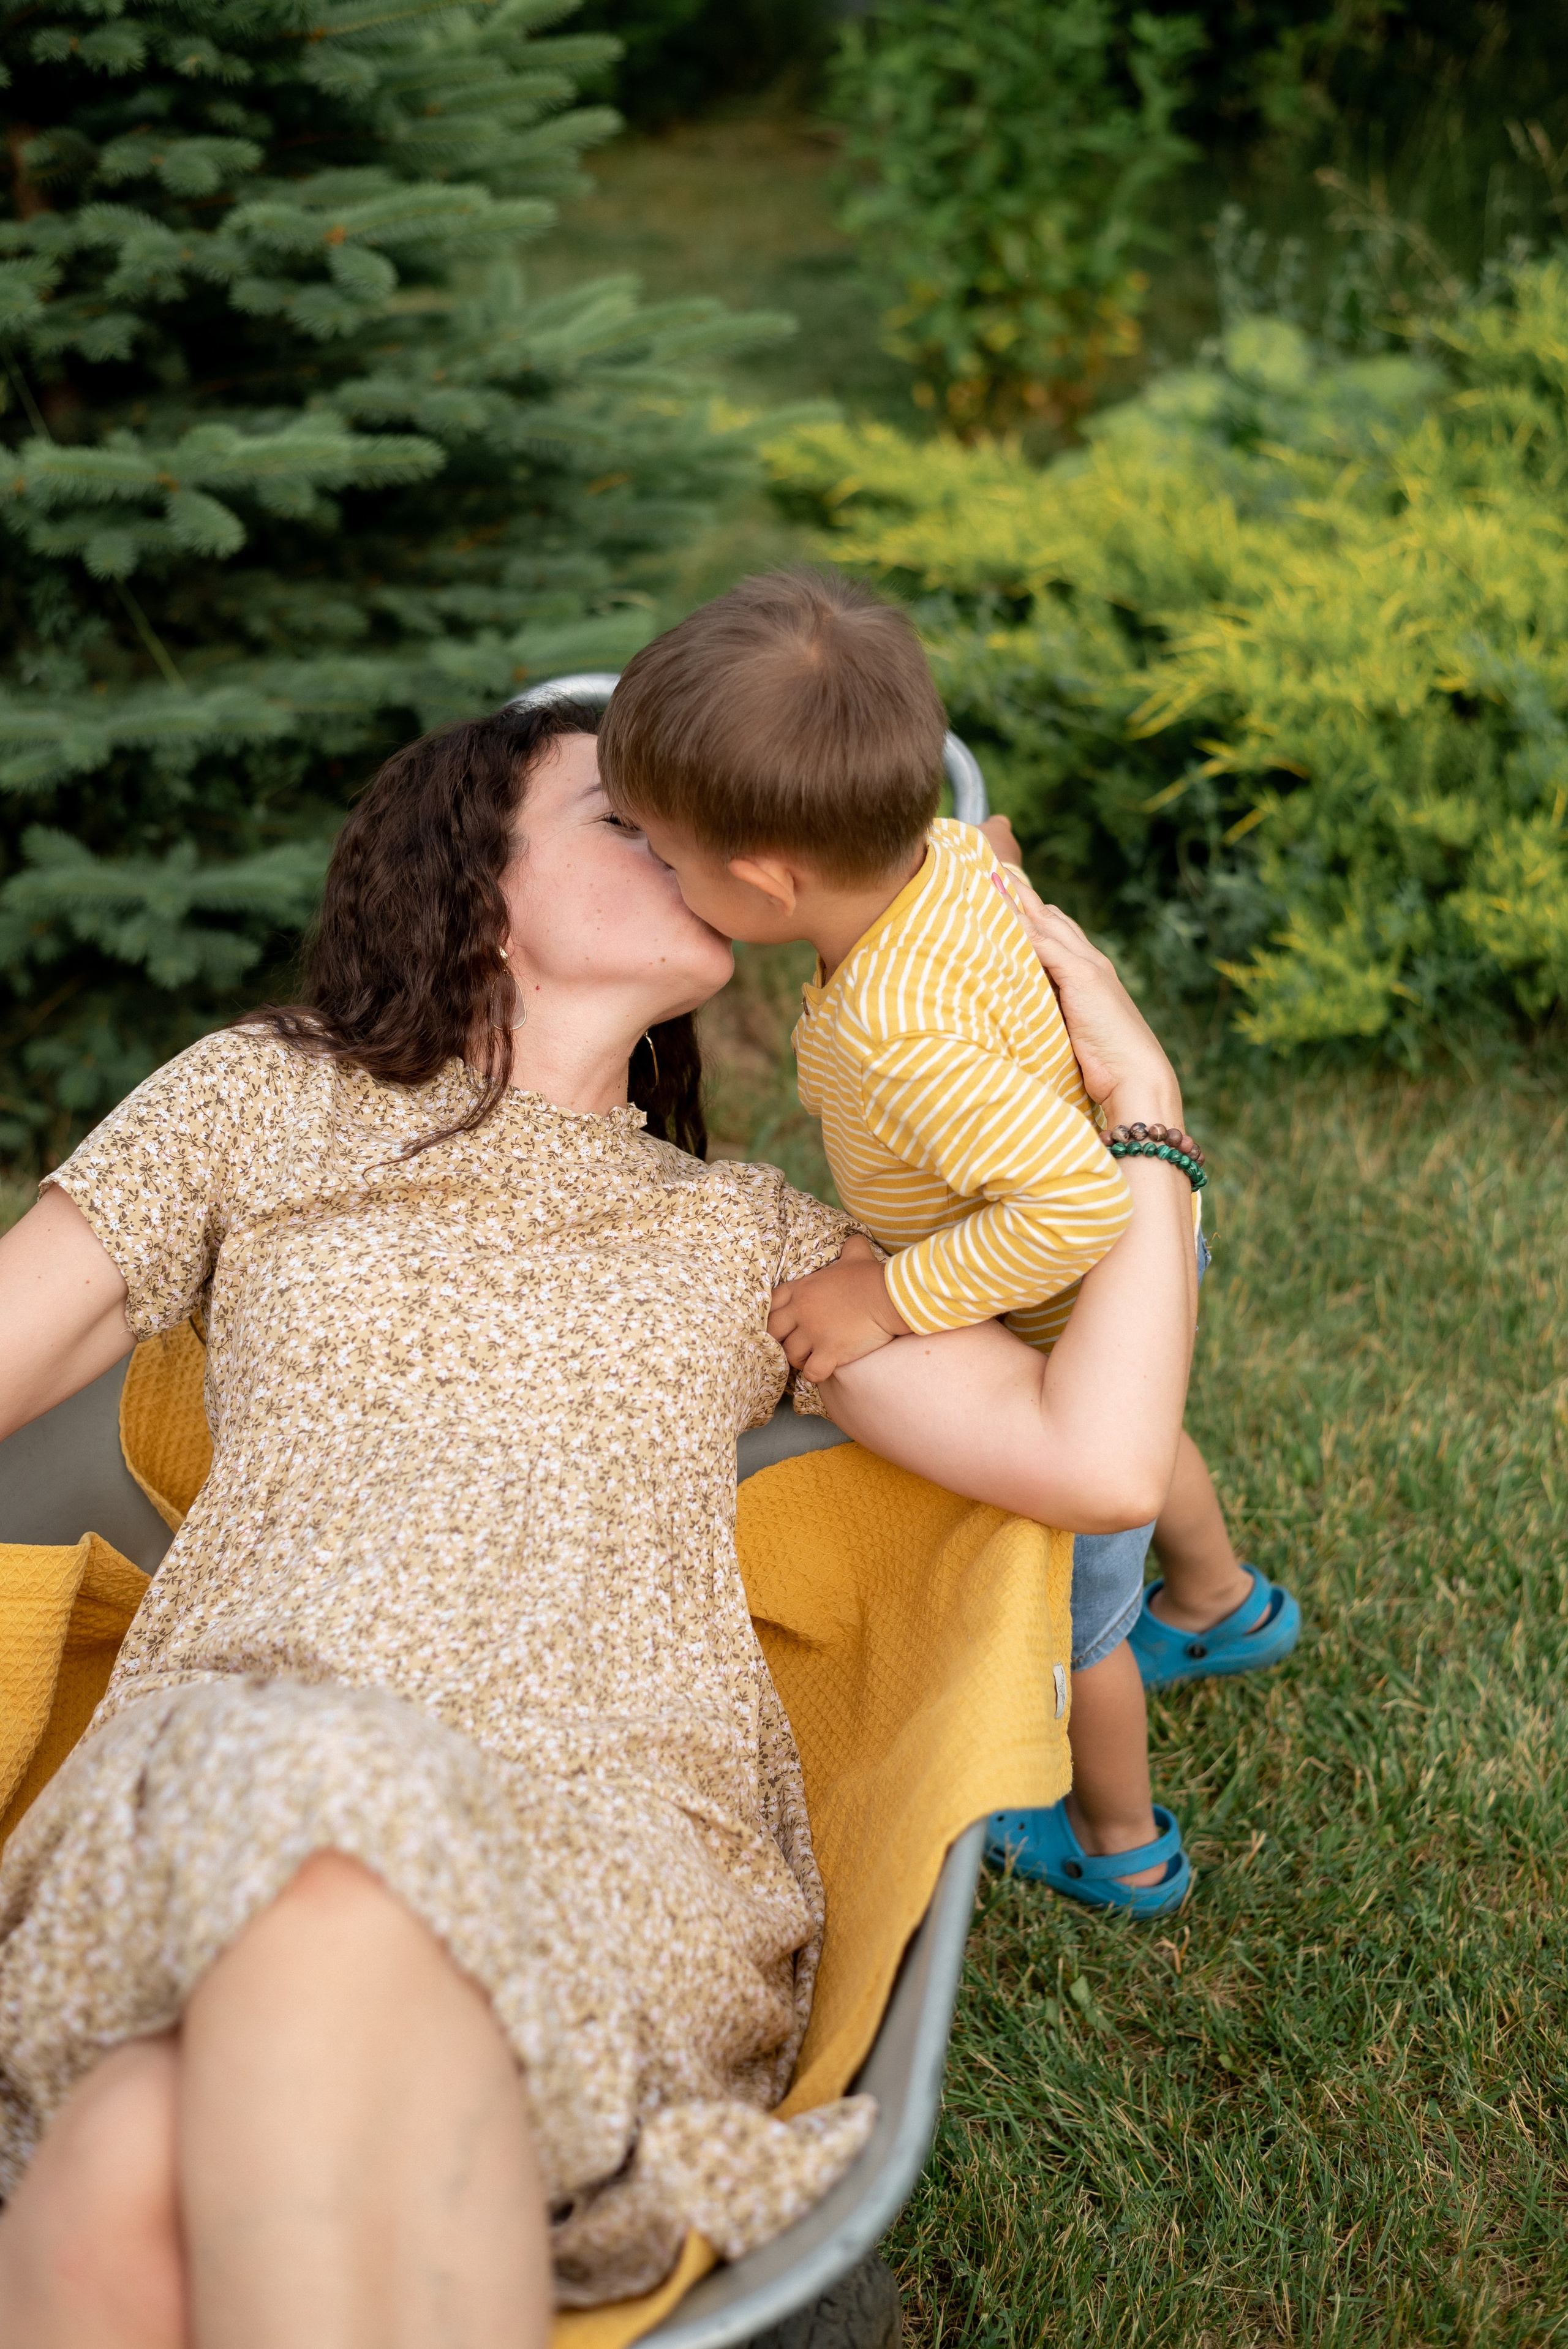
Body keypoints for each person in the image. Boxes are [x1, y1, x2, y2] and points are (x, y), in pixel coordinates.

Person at [0, 696, 1198, 2347]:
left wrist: (1139, 1104)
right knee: (303, 1835)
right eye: (623, 816)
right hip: (233, 1765)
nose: (688, 851)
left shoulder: (756, 1241)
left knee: (135, 2150)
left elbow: (1101, 1456)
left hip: (606, 1848)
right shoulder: (257, 1103)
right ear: (467, 871)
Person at [599, 571, 1300, 1920]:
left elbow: (1075, 1211)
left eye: (666, 855)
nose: (657, 875)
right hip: (1145, 1253)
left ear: (763, 879)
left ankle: (1116, 1841)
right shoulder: (947, 850)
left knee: (1078, 1620)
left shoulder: (896, 1036)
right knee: (1157, 1433)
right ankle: (1218, 1599)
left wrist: (889, 1296)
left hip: (1076, 1301)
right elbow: (999, 877)